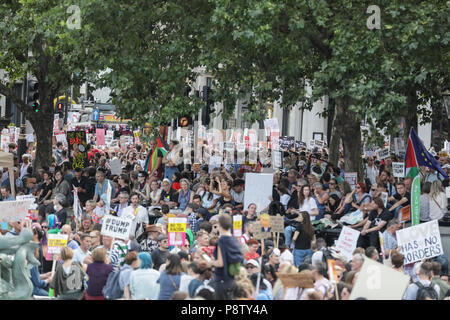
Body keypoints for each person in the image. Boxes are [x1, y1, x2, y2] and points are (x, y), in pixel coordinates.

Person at [209, 213, 243, 300]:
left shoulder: (222, 241)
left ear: (219, 225)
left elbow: (220, 263)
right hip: (232, 279)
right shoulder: (234, 240)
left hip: (222, 279)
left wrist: (210, 262)